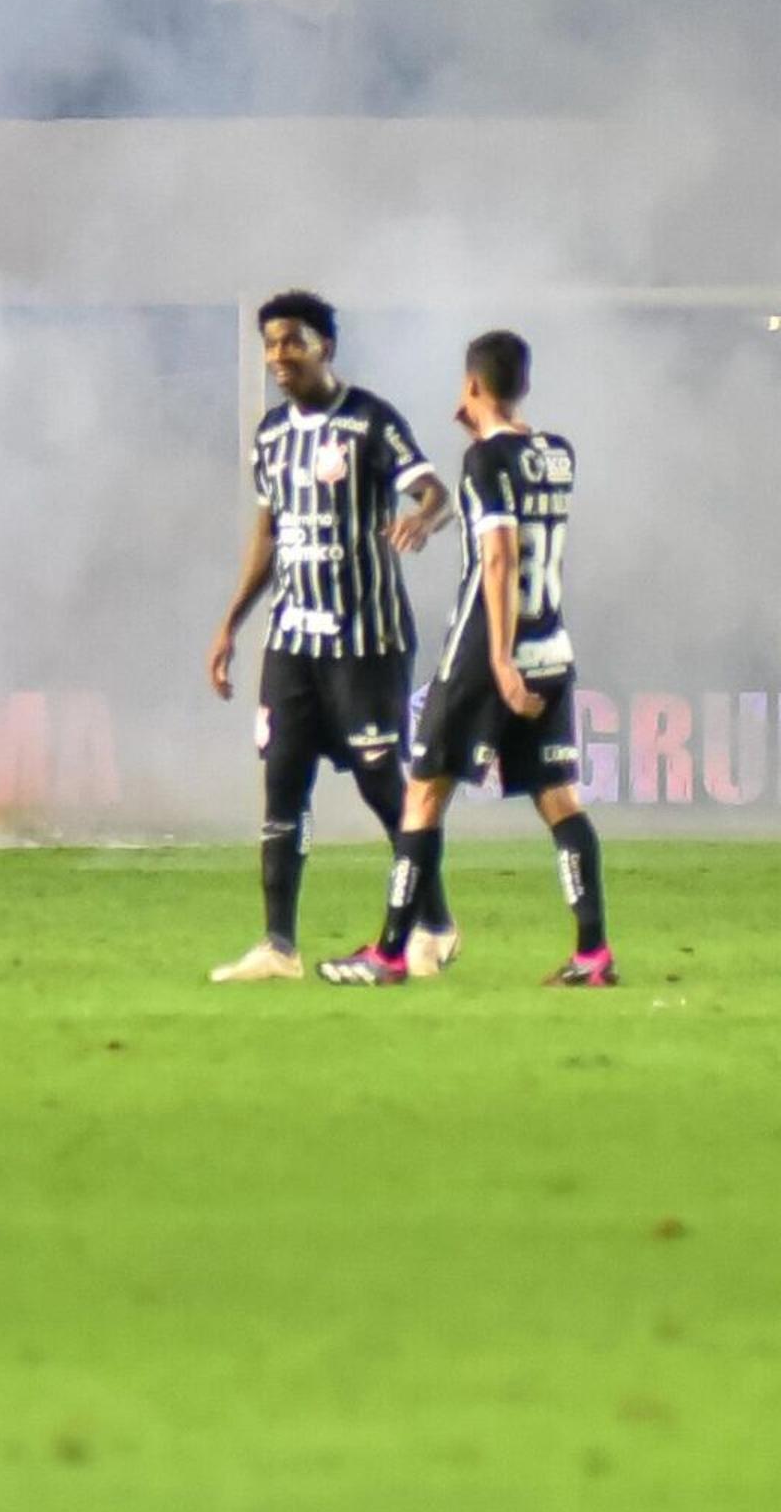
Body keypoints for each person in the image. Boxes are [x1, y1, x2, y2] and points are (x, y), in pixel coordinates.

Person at [322, 331, 610, 989]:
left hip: (488, 651)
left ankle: (392, 951)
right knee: (560, 800)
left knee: (422, 794)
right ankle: (594, 953)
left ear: (473, 386)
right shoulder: (557, 454)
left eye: (464, 385)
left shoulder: (484, 464)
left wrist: (501, 662)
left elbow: (500, 556)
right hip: (551, 645)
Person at [203, 291, 449, 982]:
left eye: (292, 342)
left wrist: (421, 523)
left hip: (365, 643)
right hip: (292, 642)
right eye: (271, 344)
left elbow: (435, 491)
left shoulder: (370, 420)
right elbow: (268, 535)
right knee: (282, 784)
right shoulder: (273, 435)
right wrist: (230, 624)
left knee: (382, 786)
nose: (279, 356)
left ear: (325, 348)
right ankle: (278, 945)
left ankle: (434, 922)